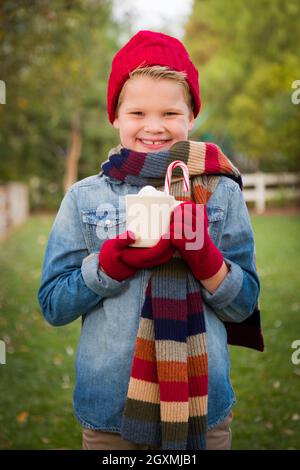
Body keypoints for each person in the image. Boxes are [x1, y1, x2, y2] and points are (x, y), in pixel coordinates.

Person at [38, 30, 263, 451]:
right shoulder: (85, 198)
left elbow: (243, 304)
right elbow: (53, 304)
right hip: (111, 419)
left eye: (170, 113)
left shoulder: (221, 193)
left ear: (191, 116)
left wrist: (204, 259)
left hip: (203, 413)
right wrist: (109, 266)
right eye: (138, 112)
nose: (154, 127)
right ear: (115, 117)